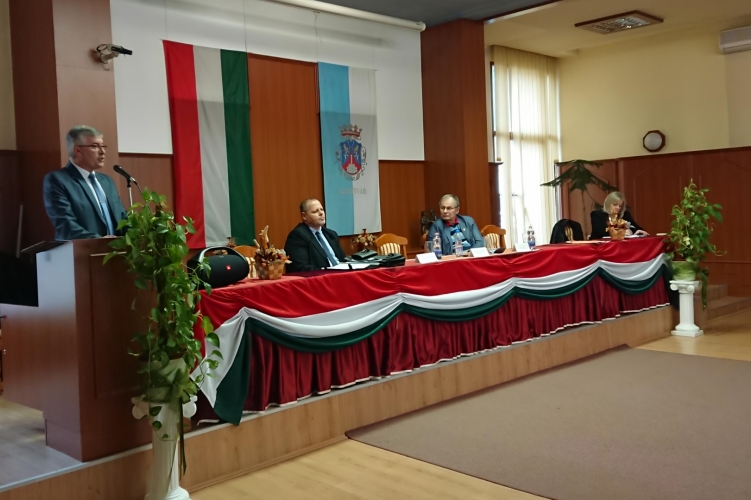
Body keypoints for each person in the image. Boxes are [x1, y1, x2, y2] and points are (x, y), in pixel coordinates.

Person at [43, 125, 128, 240]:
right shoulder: (58, 180)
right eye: (95, 146)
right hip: (81, 250)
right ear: (77, 150)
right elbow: (65, 225)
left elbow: (122, 217)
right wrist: (99, 241)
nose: (102, 151)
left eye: (103, 146)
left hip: (116, 249)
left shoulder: (107, 181)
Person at [284, 198, 347, 272]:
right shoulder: (298, 236)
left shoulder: (331, 234)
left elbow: (343, 260)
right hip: (321, 276)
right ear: (304, 216)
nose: (321, 213)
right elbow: (301, 268)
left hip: (342, 274)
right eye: (315, 211)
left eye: (322, 210)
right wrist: (329, 271)